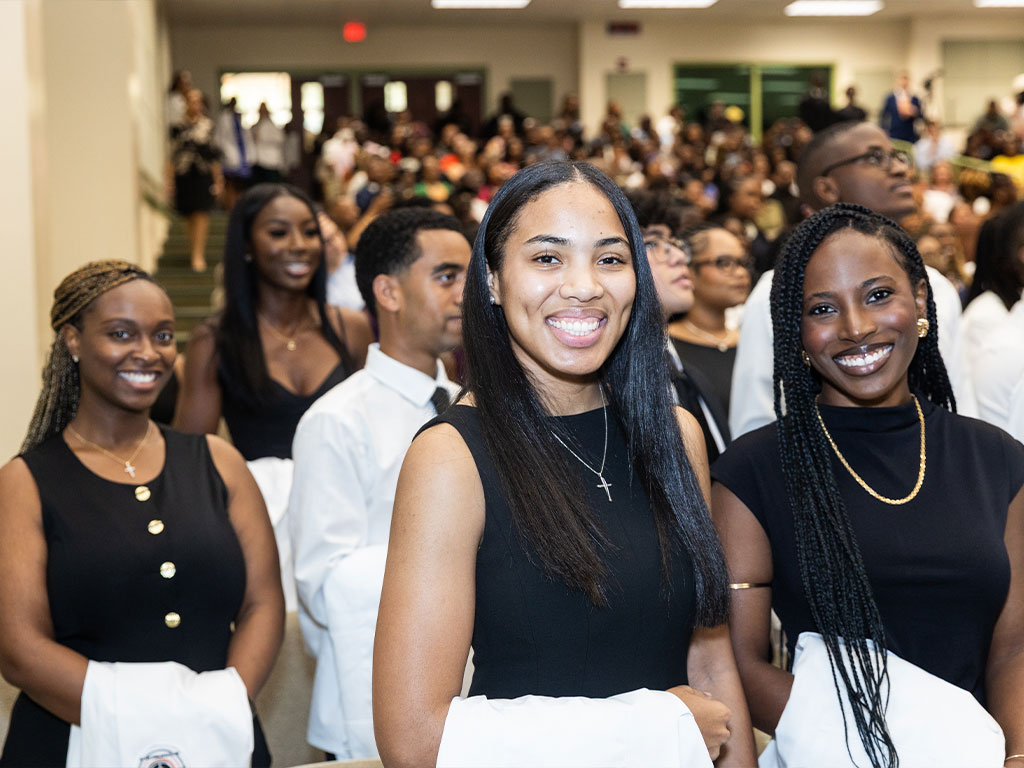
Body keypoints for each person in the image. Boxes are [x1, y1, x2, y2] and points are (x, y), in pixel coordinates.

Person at [373, 160, 755, 768]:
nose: (584, 285)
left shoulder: (675, 435)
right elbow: (415, 740)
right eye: (548, 258)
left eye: (610, 258)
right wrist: (659, 728)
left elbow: (709, 662)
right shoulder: (451, 457)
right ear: (492, 280)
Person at [712, 204, 1024, 767]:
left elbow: (1014, 646)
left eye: (879, 295)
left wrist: (1015, 754)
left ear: (921, 303)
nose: (856, 327)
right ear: (796, 333)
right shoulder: (752, 473)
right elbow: (737, 666)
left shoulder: (997, 459)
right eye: (823, 309)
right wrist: (899, 747)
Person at [0, 261, 284, 765]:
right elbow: (19, 648)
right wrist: (152, 717)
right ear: (72, 340)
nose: (148, 353)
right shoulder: (24, 482)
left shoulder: (219, 461)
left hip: (217, 740)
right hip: (70, 743)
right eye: (120, 334)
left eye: (164, 335)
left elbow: (263, 604)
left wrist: (223, 705)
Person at [290, 208, 469, 761]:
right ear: (387, 292)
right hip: (373, 702)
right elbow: (322, 586)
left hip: (478, 702)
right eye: (446, 276)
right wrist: (455, 561)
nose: (467, 293)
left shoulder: (473, 406)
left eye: (472, 276)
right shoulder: (338, 419)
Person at [174, 183, 373, 609]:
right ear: (246, 244)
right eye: (279, 233)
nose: (298, 245)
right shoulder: (216, 340)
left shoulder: (349, 328)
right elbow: (189, 457)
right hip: (260, 522)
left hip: (348, 520)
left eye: (308, 231)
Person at [729, 121, 974, 439]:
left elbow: (959, 405)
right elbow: (756, 423)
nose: (899, 169)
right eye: (874, 158)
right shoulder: (778, 292)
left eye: (896, 156)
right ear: (827, 189)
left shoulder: (936, 286)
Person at [669, 225, 751, 422]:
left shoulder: (751, 340)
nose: (740, 272)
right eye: (724, 263)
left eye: (742, 262)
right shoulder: (668, 347)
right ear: (688, 271)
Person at [169, 88, 223, 273]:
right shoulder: (177, 128)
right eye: (191, 101)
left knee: (201, 213)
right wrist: (168, 182)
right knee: (189, 215)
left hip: (202, 174)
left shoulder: (208, 126)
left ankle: (198, 255)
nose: (195, 105)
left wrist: (218, 180)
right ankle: (193, 249)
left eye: (198, 101)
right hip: (184, 175)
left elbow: (214, 156)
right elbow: (171, 156)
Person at [880, 72, 922, 143]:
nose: (904, 82)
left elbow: (921, 116)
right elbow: (883, 115)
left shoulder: (914, 98)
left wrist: (914, 112)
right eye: (902, 79)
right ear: (897, 81)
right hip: (894, 134)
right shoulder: (890, 98)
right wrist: (884, 130)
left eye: (906, 79)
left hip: (910, 134)